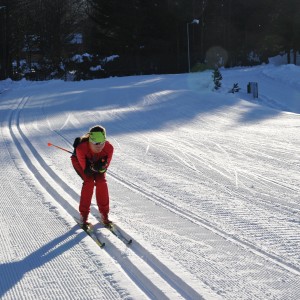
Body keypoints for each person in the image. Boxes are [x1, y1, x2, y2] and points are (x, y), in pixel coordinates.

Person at [71, 125, 114, 228]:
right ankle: (84, 215)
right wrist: (94, 167)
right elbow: (87, 171)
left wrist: (102, 166)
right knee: (89, 182)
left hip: (94, 165)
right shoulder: (81, 148)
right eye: (95, 143)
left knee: (101, 182)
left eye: (102, 143)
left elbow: (104, 169)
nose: (99, 146)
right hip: (80, 163)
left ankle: (104, 213)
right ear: (90, 141)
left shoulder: (109, 148)